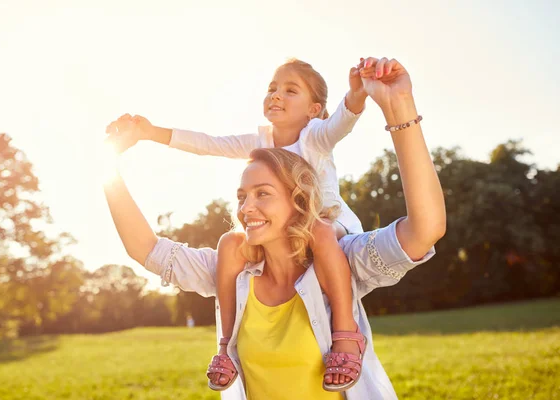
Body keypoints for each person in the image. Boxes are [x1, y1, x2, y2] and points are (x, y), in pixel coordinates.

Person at [103, 56, 446, 399]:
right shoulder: (234, 268)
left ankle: (346, 333)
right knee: (228, 241)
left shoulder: (340, 258)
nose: (245, 208)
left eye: (262, 194)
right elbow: (147, 246)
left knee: (322, 231)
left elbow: (423, 228)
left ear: (296, 198)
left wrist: (391, 104)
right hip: (296, 233)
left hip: (329, 223)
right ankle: (225, 347)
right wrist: (112, 162)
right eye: (241, 196)